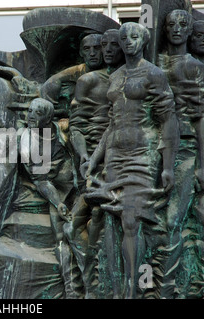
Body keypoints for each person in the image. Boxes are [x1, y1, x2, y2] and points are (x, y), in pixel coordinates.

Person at [86, 22, 179, 298]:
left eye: (134, 37)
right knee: (113, 221)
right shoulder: (114, 76)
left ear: (143, 40)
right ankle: (118, 289)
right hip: (115, 154)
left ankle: (135, 288)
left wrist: (168, 166)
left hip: (142, 153)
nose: (128, 42)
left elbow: (169, 120)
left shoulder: (154, 74)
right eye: (124, 37)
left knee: (131, 220)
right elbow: (111, 124)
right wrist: (95, 158)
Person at [157, 10, 204, 298]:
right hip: (152, 151)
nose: (177, 29)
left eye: (183, 25)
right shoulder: (153, 65)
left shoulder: (194, 67)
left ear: (189, 29)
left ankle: (186, 286)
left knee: (179, 219)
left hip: (187, 149)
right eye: (171, 25)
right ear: (164, 30)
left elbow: (203, 118)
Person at [63, 28, 125, 298]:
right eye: (101, 46)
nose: (103, 52)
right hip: (93, 164)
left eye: (109, 46)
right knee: (78, 224)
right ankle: (89, 283)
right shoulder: (88, 81)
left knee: (104, 220)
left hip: (124, 160)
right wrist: (84, 157)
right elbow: (76, 126)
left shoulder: (129, 78)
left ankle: (102, 284)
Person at [19, 97, 76, 297]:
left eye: (38, 113)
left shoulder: (63, 129)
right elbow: (41, 180)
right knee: (60, 234)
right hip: (56, 189)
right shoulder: (26, 142)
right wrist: (58, 202)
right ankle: (71, 288)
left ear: (49, 118)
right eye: (30, 111)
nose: (31, 116)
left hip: (80, 182)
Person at [40, 34, 104, 111]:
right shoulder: (78, 70)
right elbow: (50, 83)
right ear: (81, 52)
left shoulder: (111, 72)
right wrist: (52, 108)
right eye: (87, 49)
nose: (92, 53)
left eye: (97, 48)